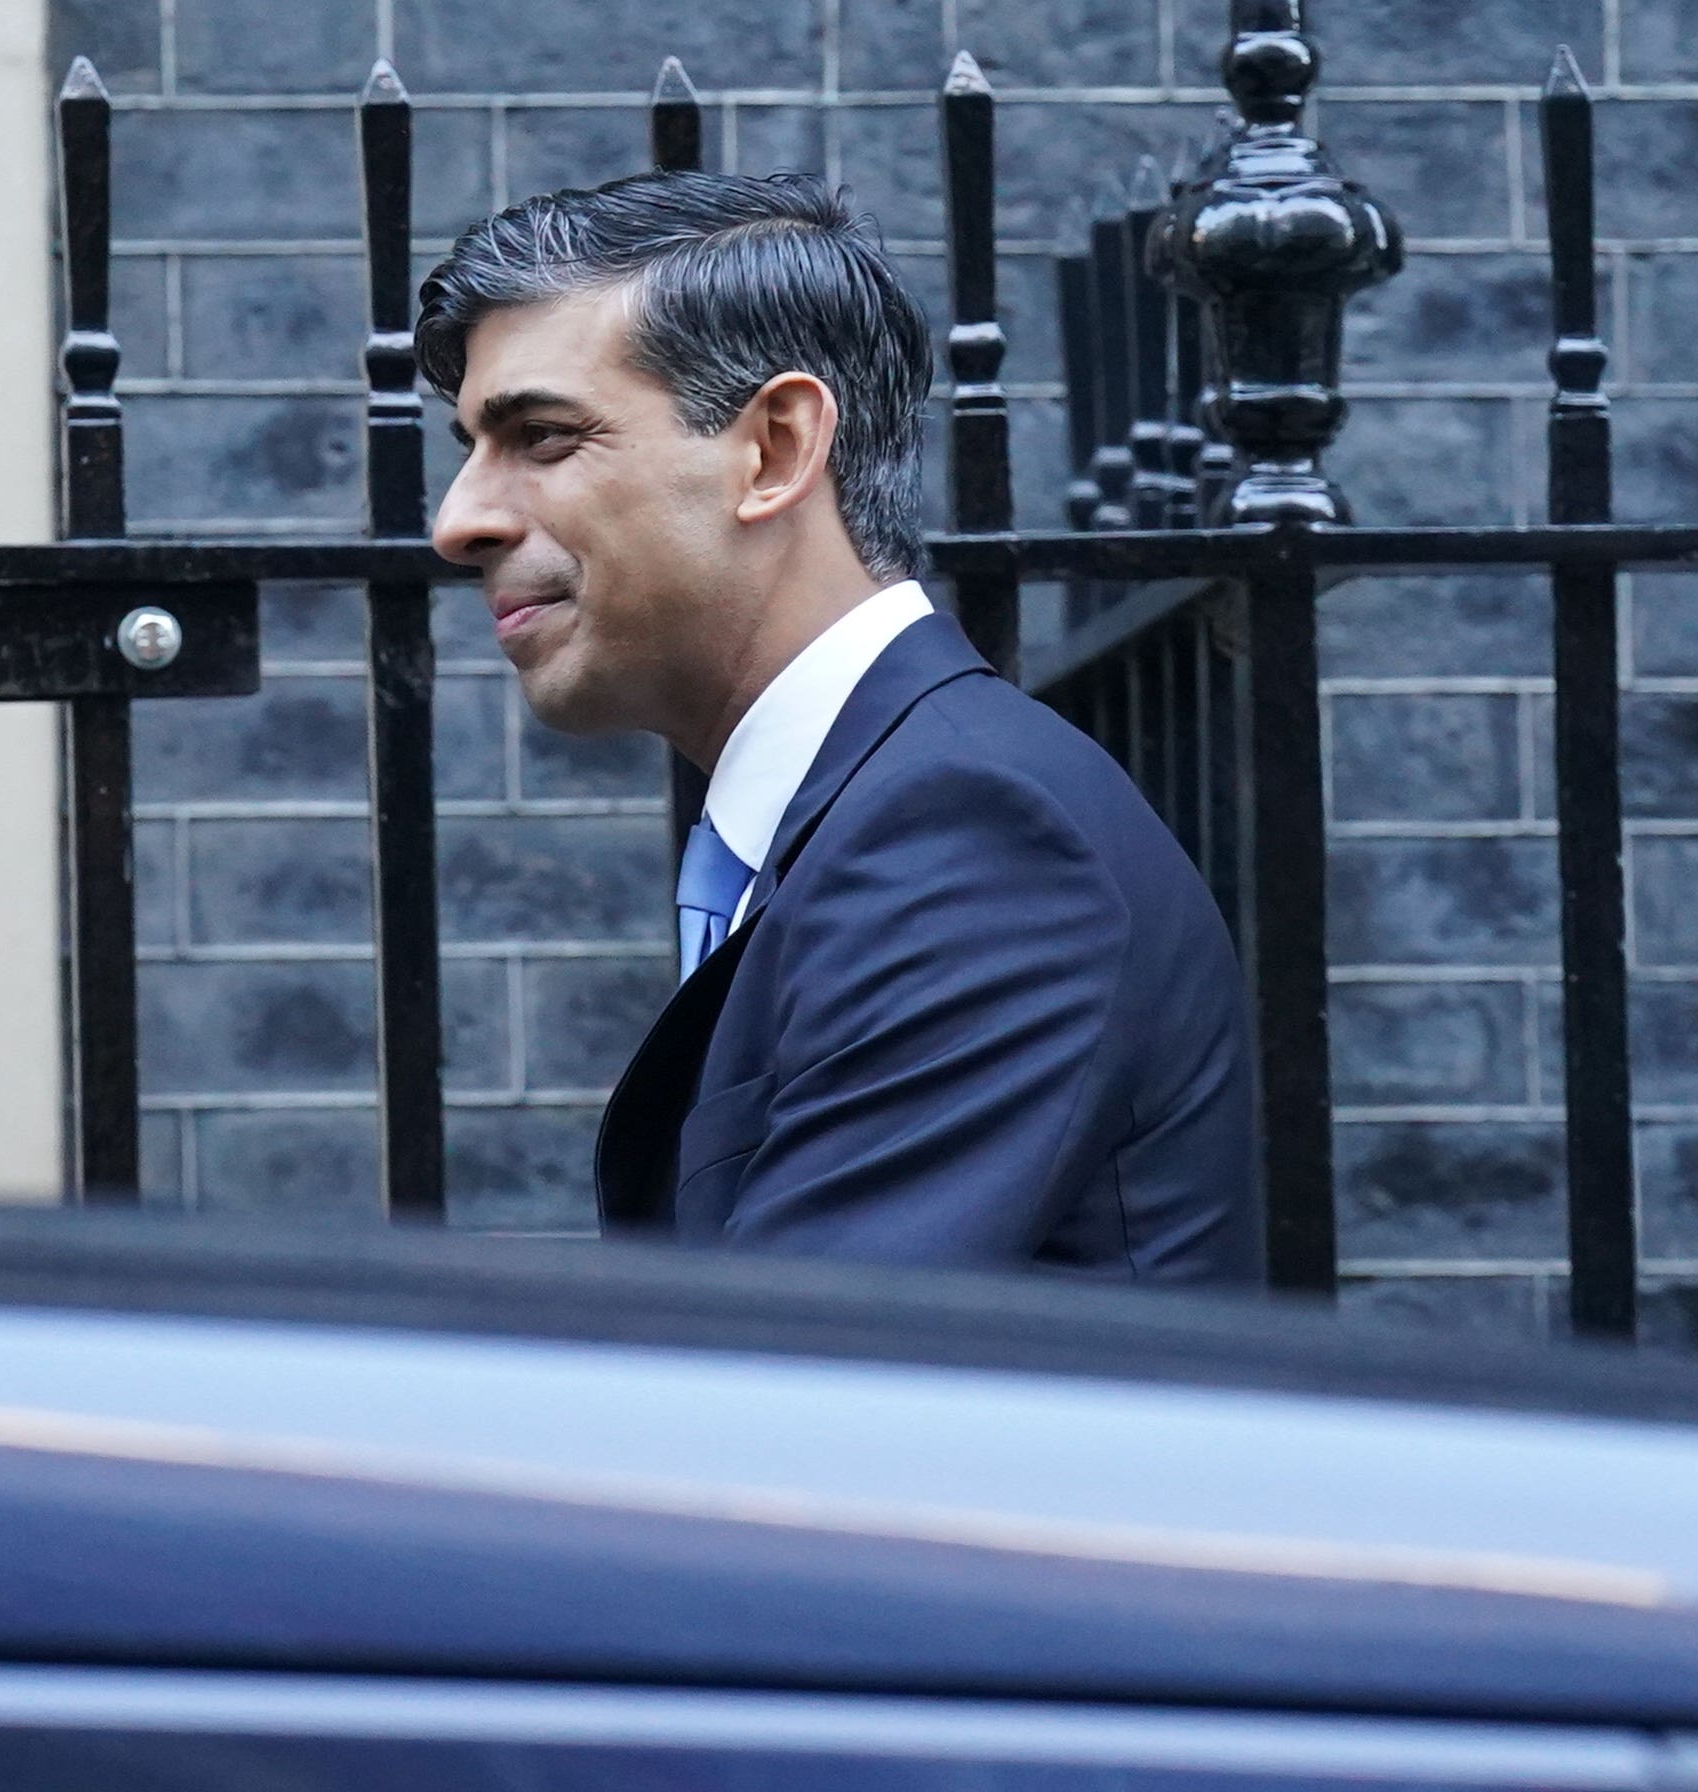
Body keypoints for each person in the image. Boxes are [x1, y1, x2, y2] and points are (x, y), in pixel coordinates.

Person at [416, 170, 1259, 1284]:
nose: (458, 521)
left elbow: (795, 1391)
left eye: (543, 437)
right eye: (471, 448)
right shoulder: (886, 809)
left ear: (774, 447)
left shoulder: (969, 837)